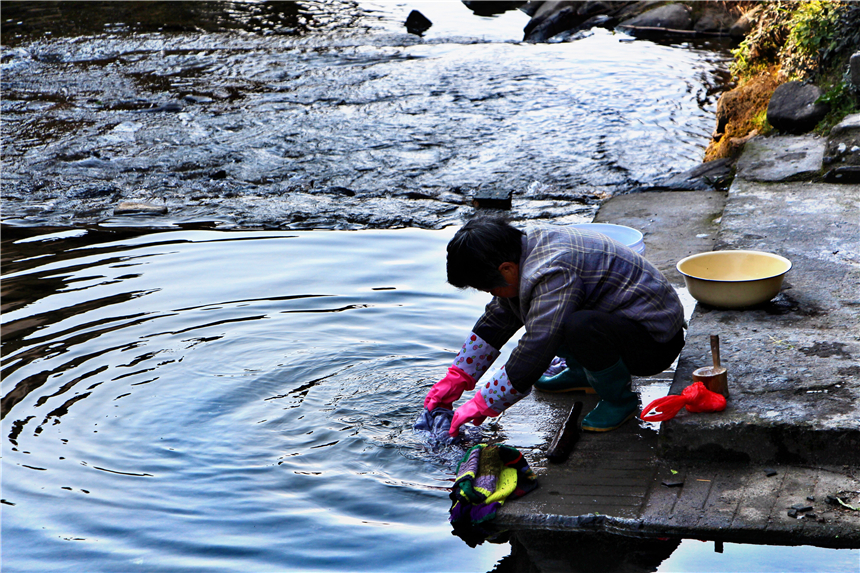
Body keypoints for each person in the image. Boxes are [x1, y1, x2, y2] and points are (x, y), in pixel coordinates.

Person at [424, 217, 685, 436]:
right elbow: (499, 317)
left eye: (490, 288)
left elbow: (538, 344)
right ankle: (584, 373)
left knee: (573, 325)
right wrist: (458, 376)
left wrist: (484, 402)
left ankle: (619, 401)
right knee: (549, 315)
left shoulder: (551, 270)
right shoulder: (520, 250)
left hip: (654, 342)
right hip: (618, 323)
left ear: (506, 269)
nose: (492, 294)